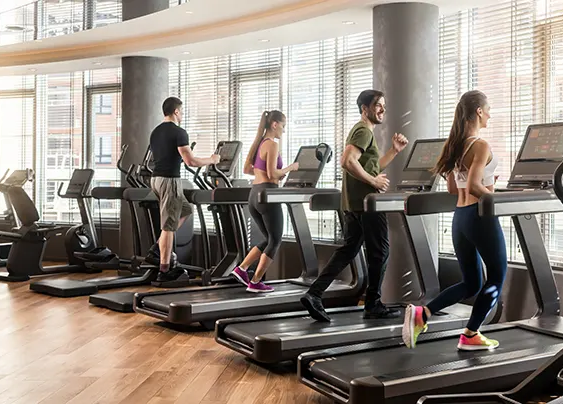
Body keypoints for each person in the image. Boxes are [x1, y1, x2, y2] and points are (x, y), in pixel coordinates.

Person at [402, 90, 507, 351]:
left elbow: (453, 188)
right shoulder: (480, 145)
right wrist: (498, 199)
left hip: (460, 218)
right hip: (480, 217)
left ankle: (423, 314)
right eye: (489, 109)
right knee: (496, 277)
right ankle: (471, 334)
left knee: (471, 283)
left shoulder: (456, 145)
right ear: (479, 111)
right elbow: (473, 185)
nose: (490, 114)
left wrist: (487, 184)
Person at [300, 89, 408, 322]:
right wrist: (373, 182)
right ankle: (373, 303)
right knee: (381, 252)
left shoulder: (363, 132)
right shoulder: (363, 130)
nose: (382, 109)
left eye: (384, 106)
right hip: (367, 205)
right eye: (378, 105)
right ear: (364, 108)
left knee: (348, 250)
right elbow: (347, 161)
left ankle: (314, 294)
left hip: (354, 204)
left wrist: (393, 152)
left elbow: (370, 166)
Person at [148, 97, 220, 283]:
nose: (183, 114)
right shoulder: (179, 132)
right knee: (169, 225)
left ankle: (158, 248)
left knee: (186, 209)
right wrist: (212, 160)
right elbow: (191, 161)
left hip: (155, 180)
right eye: (182, 111)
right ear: (176, 112)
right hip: (169, 181)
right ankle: (164, 270)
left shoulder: (155, 132)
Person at [230, 110, 299, 293]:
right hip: (268, 195)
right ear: (274, 124)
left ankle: (242, 268)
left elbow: (247, 169)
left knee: (268, 238)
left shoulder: (258, 143)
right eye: (283, 126)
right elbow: (272, 174)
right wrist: (290, 168)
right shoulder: (272, 144)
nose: (283, 131)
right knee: (275, 240)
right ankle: (255, 281)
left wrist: (267, 174)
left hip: (254, 195)